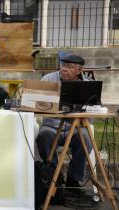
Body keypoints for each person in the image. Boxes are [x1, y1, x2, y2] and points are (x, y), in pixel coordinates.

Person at [36, 54, 93, 195]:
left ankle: (73, 180)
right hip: (52, 125)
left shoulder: (89, 84)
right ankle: (55, 176)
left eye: (70, 67)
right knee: (43, 135)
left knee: (85, 137)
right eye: (63, 65)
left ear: (79, 70)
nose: (65, 69)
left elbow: (94, 110)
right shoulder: (48, 79)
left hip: (75, 127)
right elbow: (36, 103)